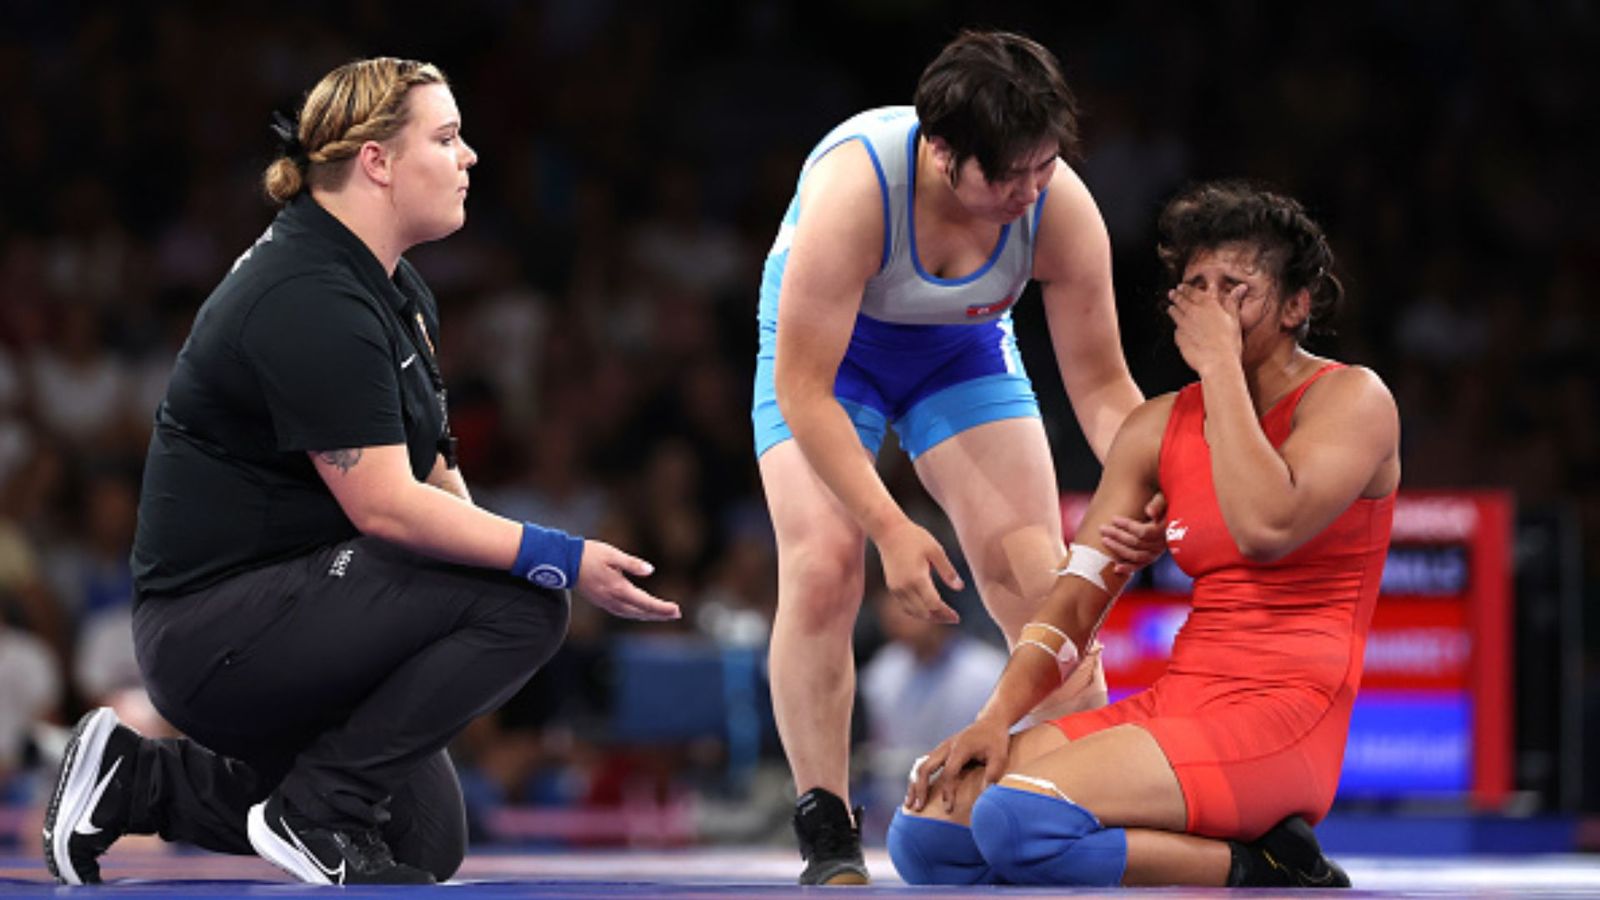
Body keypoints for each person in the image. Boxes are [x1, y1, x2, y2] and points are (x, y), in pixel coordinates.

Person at [41, 57, 679, 887]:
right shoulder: (307, 296)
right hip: (215, 633)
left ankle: (140, 781)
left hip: (309, 609)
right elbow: (385, 507)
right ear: (376, 161)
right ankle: (316, 811)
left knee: (422, 844)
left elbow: (441, 483)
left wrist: (484, 585)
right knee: (529, 597)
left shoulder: (398, 289)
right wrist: (560, 555)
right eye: (447, 138)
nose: (471, 156)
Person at [890, 181, 1399, 888]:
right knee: (927, 835)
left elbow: (1265, 527)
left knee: (1017, 822)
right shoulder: (1158, 426)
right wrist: (994, 717)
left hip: (1285, 715)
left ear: (1295, 306)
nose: (1212, 305)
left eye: (1236, 288)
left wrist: (1219, 364)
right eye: (1196, 286)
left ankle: (1264, 862)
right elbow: (1074, 600)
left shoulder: (1352, 400)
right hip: (1184, 699)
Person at [753, 30, 1160, 884]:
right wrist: (893, 527)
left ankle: (1074, 797)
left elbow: (1101, 389)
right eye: (1006, 176)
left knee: (1039, 579)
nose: (1027, 191)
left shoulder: (1059, 204)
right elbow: (805, 392)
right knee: (827, 565)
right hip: (834, 363)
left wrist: (1169, 480)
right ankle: (826, 821)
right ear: (940, 152)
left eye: (1041, 167)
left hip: (960, 353)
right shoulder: (859, 190)